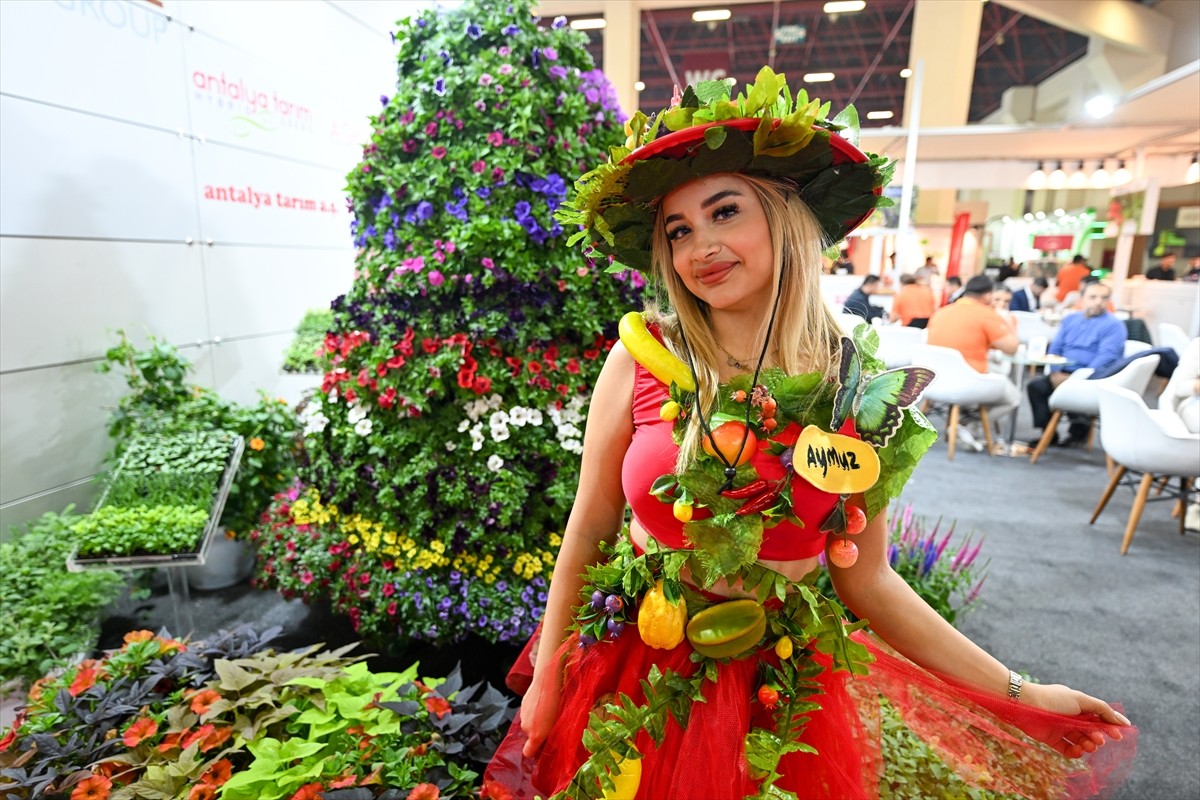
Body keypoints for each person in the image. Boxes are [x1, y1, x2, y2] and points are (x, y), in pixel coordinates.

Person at [486, 69, 1133, 800]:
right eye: (678, 230)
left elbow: (871, 580)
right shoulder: (640, 359)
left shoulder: (858, 391)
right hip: (632, 674)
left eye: (724, 212)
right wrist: (546, 677)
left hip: (781, 696)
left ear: (781, 215)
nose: (701, 245)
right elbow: (589, 526)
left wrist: (1023, 691)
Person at [1026, 282, 1127, 448]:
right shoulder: (1071, 319)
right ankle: (1048, 433)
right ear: (1082, 299)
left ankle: (1078, 432)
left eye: (1103, 298)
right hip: (1063, 371)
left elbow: (1106, 357)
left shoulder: (1114, 325)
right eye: (1093, 297)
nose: (1098, 302)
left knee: (1072, 390)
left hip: (1093, 378)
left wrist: (1077, 379)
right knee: (1036, 387)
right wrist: (1055, 372)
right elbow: (1056, 348)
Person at [927, 276, 1021, 444]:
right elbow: (1011, 348)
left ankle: (963, 417)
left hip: (934, 380)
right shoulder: (986, 315)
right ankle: (970, 425)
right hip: (969, 381)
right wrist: (1007, 320)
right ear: (987, 296)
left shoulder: (942, 312)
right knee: (1014, 397)